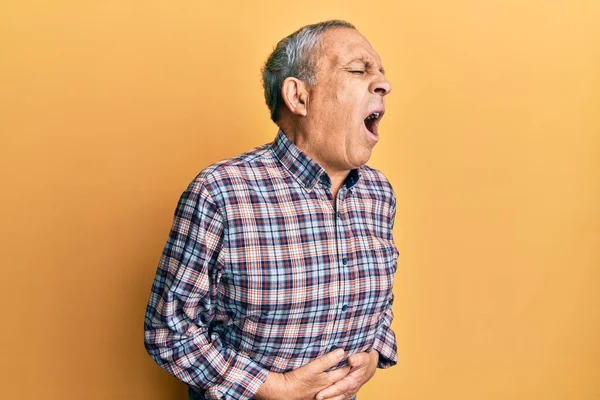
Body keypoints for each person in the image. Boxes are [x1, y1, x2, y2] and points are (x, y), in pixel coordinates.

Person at [144, 20, 399, 400]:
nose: (383, 84)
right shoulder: (221, 192)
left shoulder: (378, 193)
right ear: (299, 97)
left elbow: (379, 304)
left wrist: (373, 352)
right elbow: (167, 330)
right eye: (359, 70)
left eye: (381, 73)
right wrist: (272, 387)